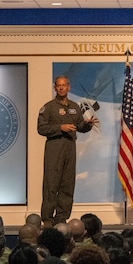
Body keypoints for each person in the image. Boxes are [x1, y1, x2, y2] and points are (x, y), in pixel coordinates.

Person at [37, 74, 97, 227]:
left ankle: (62, 217)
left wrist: (87, 124)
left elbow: (79, 126)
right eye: (58, 85)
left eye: (64, 85)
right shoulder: (49, 107)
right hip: (54, 148)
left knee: (67, 183)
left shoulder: (74, 107)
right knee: (51, 183)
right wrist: (59, 128)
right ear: (55, 88)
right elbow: (41, 128)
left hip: (70, 148)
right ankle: (48, 218)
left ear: (69, 87)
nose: (62, 88)